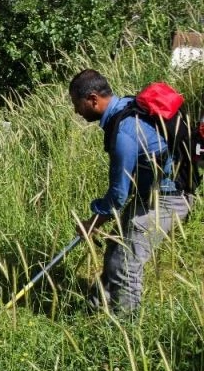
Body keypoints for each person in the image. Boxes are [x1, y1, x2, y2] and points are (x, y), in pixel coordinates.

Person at [69, 69, 195, 313]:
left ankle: (124, 330)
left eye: (77, 104)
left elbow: (118, 194)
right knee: (117, 247)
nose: (76, 111)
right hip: (151, 194)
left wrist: (92, 221)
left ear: (93, 99)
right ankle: (95, 310)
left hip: (169, 199)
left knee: (126, 263)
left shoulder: (124, 131)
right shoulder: (127, 105)